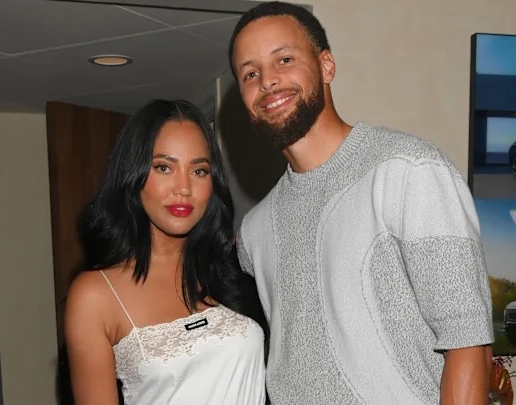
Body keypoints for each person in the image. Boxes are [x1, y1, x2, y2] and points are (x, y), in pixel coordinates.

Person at [228, 2, 494, 404]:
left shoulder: (408, 171)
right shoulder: (254, 231)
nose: (267, 81)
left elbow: (469, 342)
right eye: (250, 73)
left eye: (284, 59)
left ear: (326, 65)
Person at [64, 99, 268, 405]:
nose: (183, 188)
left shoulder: (235, 267)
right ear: (133, 175)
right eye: (164, 167)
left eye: (199, 170)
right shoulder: (94, 295)